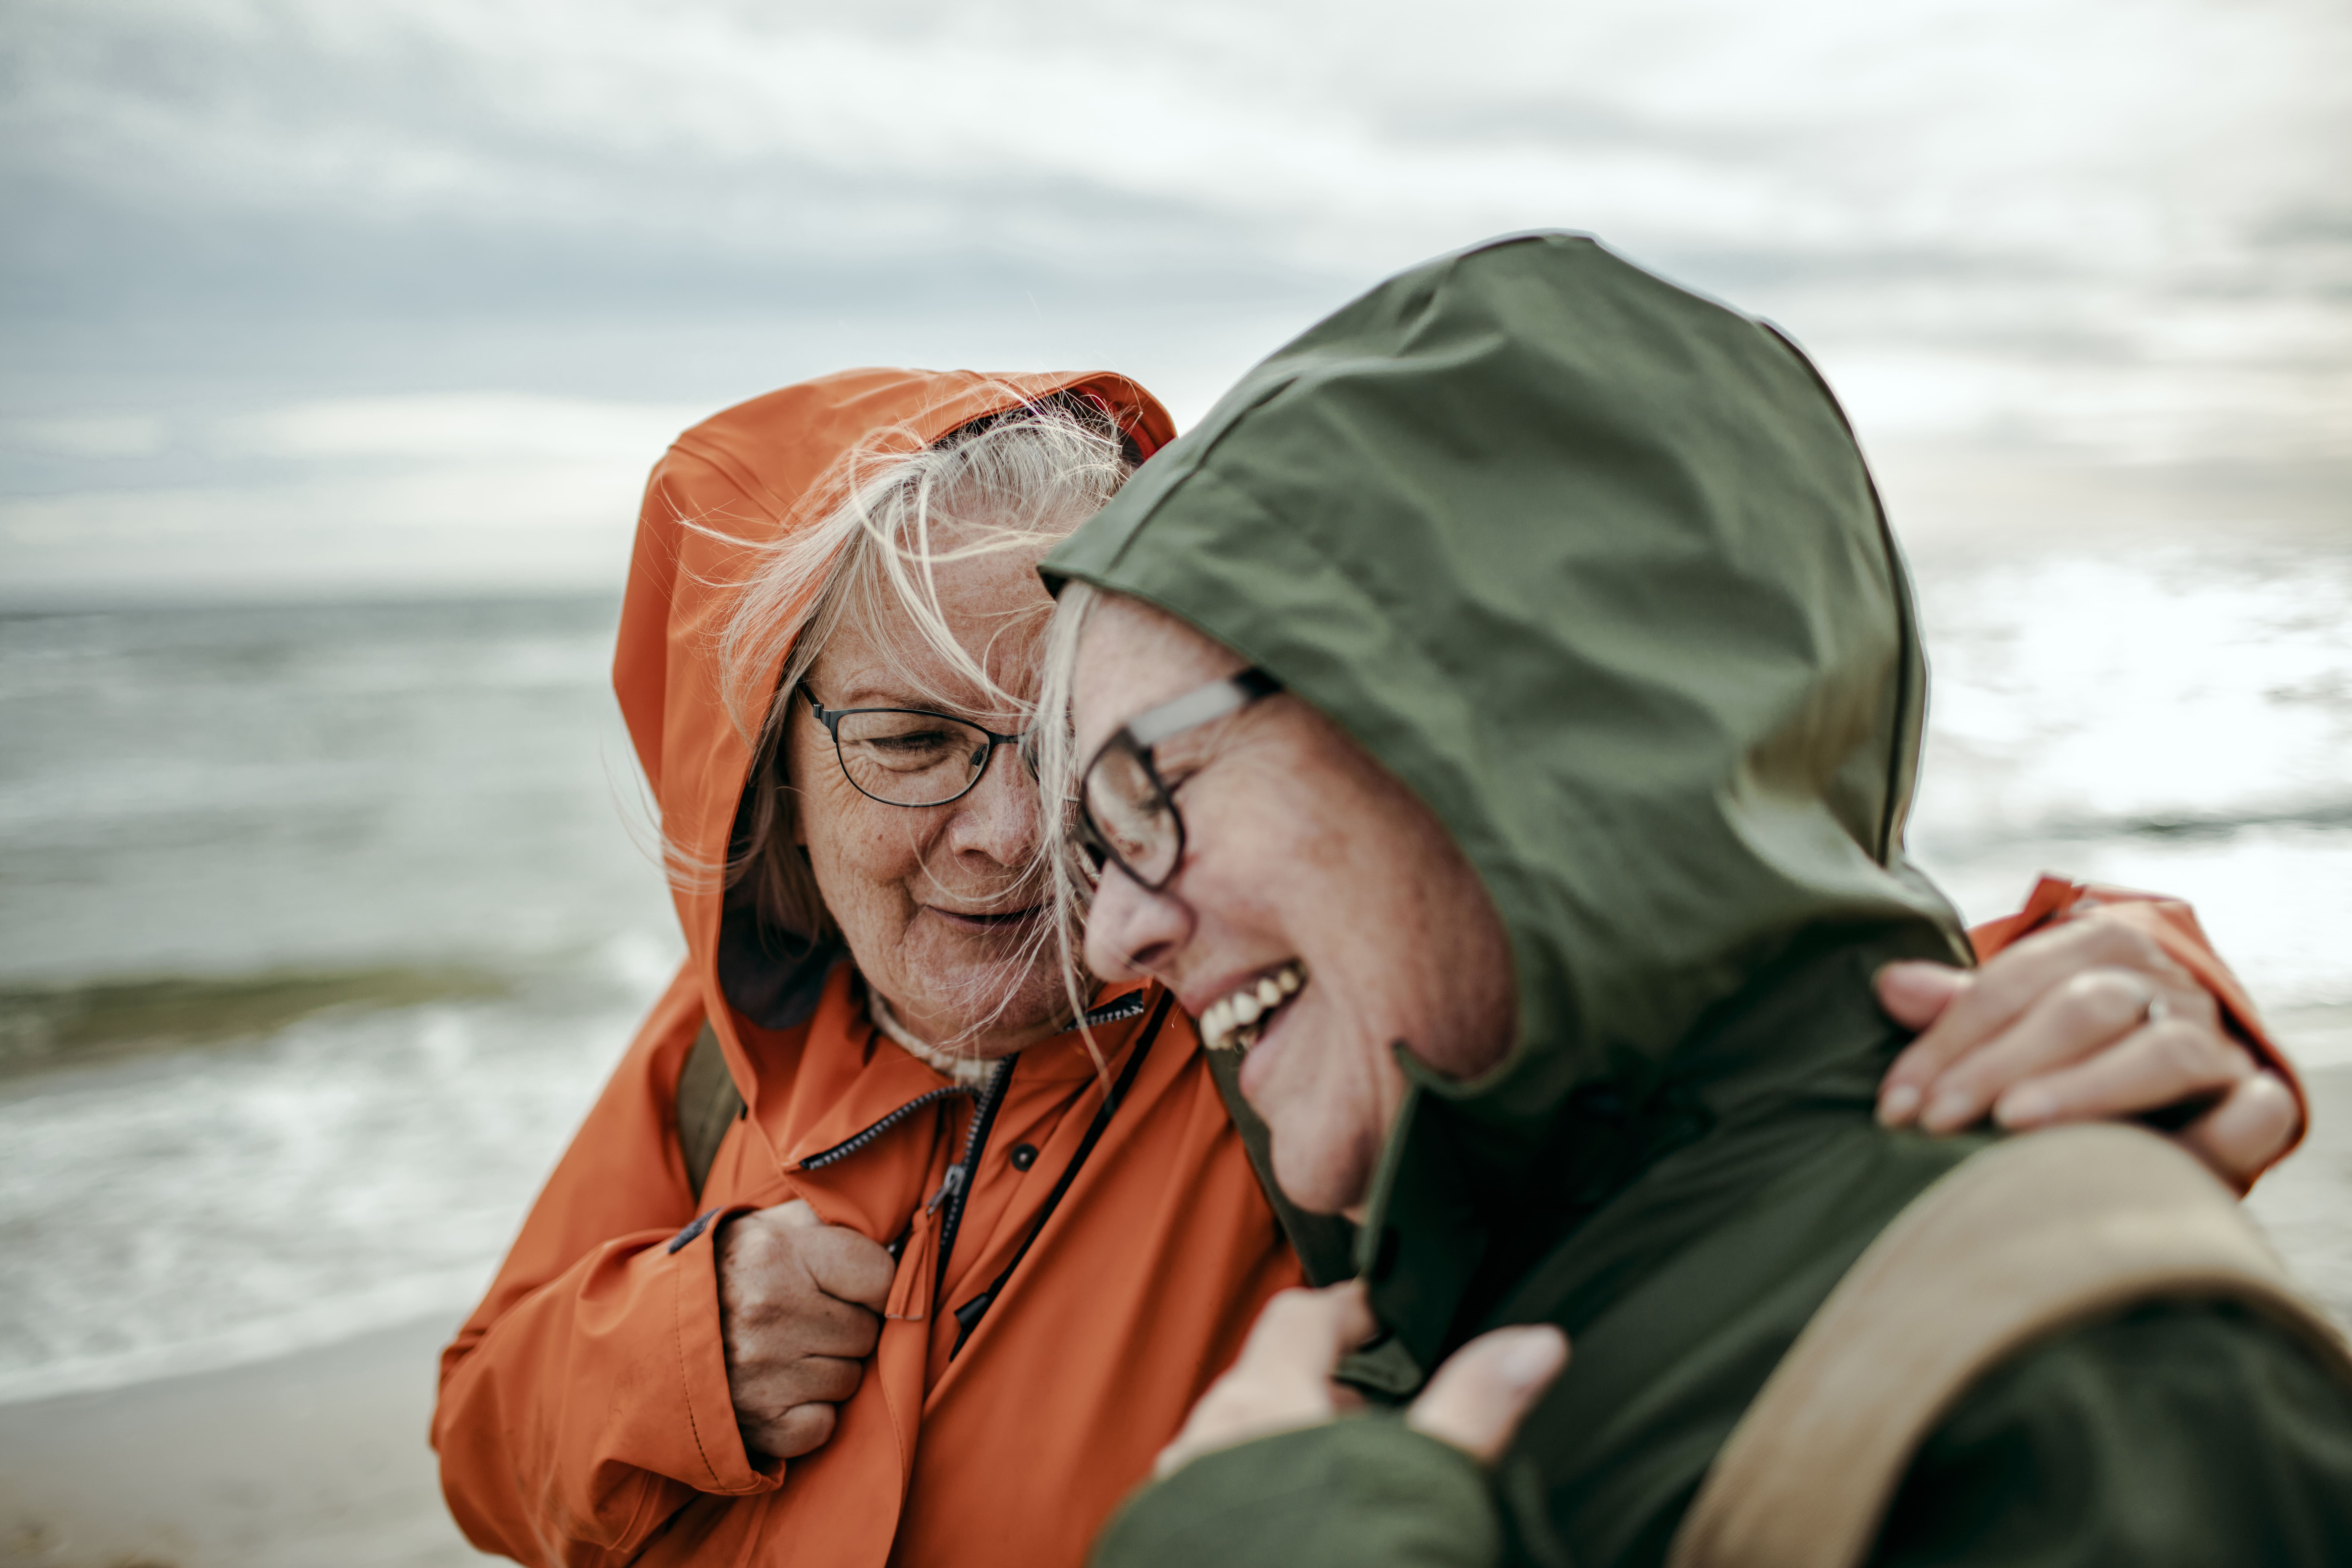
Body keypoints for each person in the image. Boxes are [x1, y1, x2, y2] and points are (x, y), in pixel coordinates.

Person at [432, 360, 2303, 1568]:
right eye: (915, 742)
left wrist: (2131, 968)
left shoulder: (1277, 1019)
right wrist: (678, 1351)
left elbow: (1737, 1025)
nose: (1014, 834)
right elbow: (479, 1428)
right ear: (764, 777)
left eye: (1071, 743)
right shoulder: (716, 1050)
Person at [1051, 234, 2352, 1568]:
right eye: (1096, 845)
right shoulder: (1477, 1303)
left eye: (1150, 788)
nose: (1111, 938)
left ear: (1482, 708)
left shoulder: (2098, 1388)